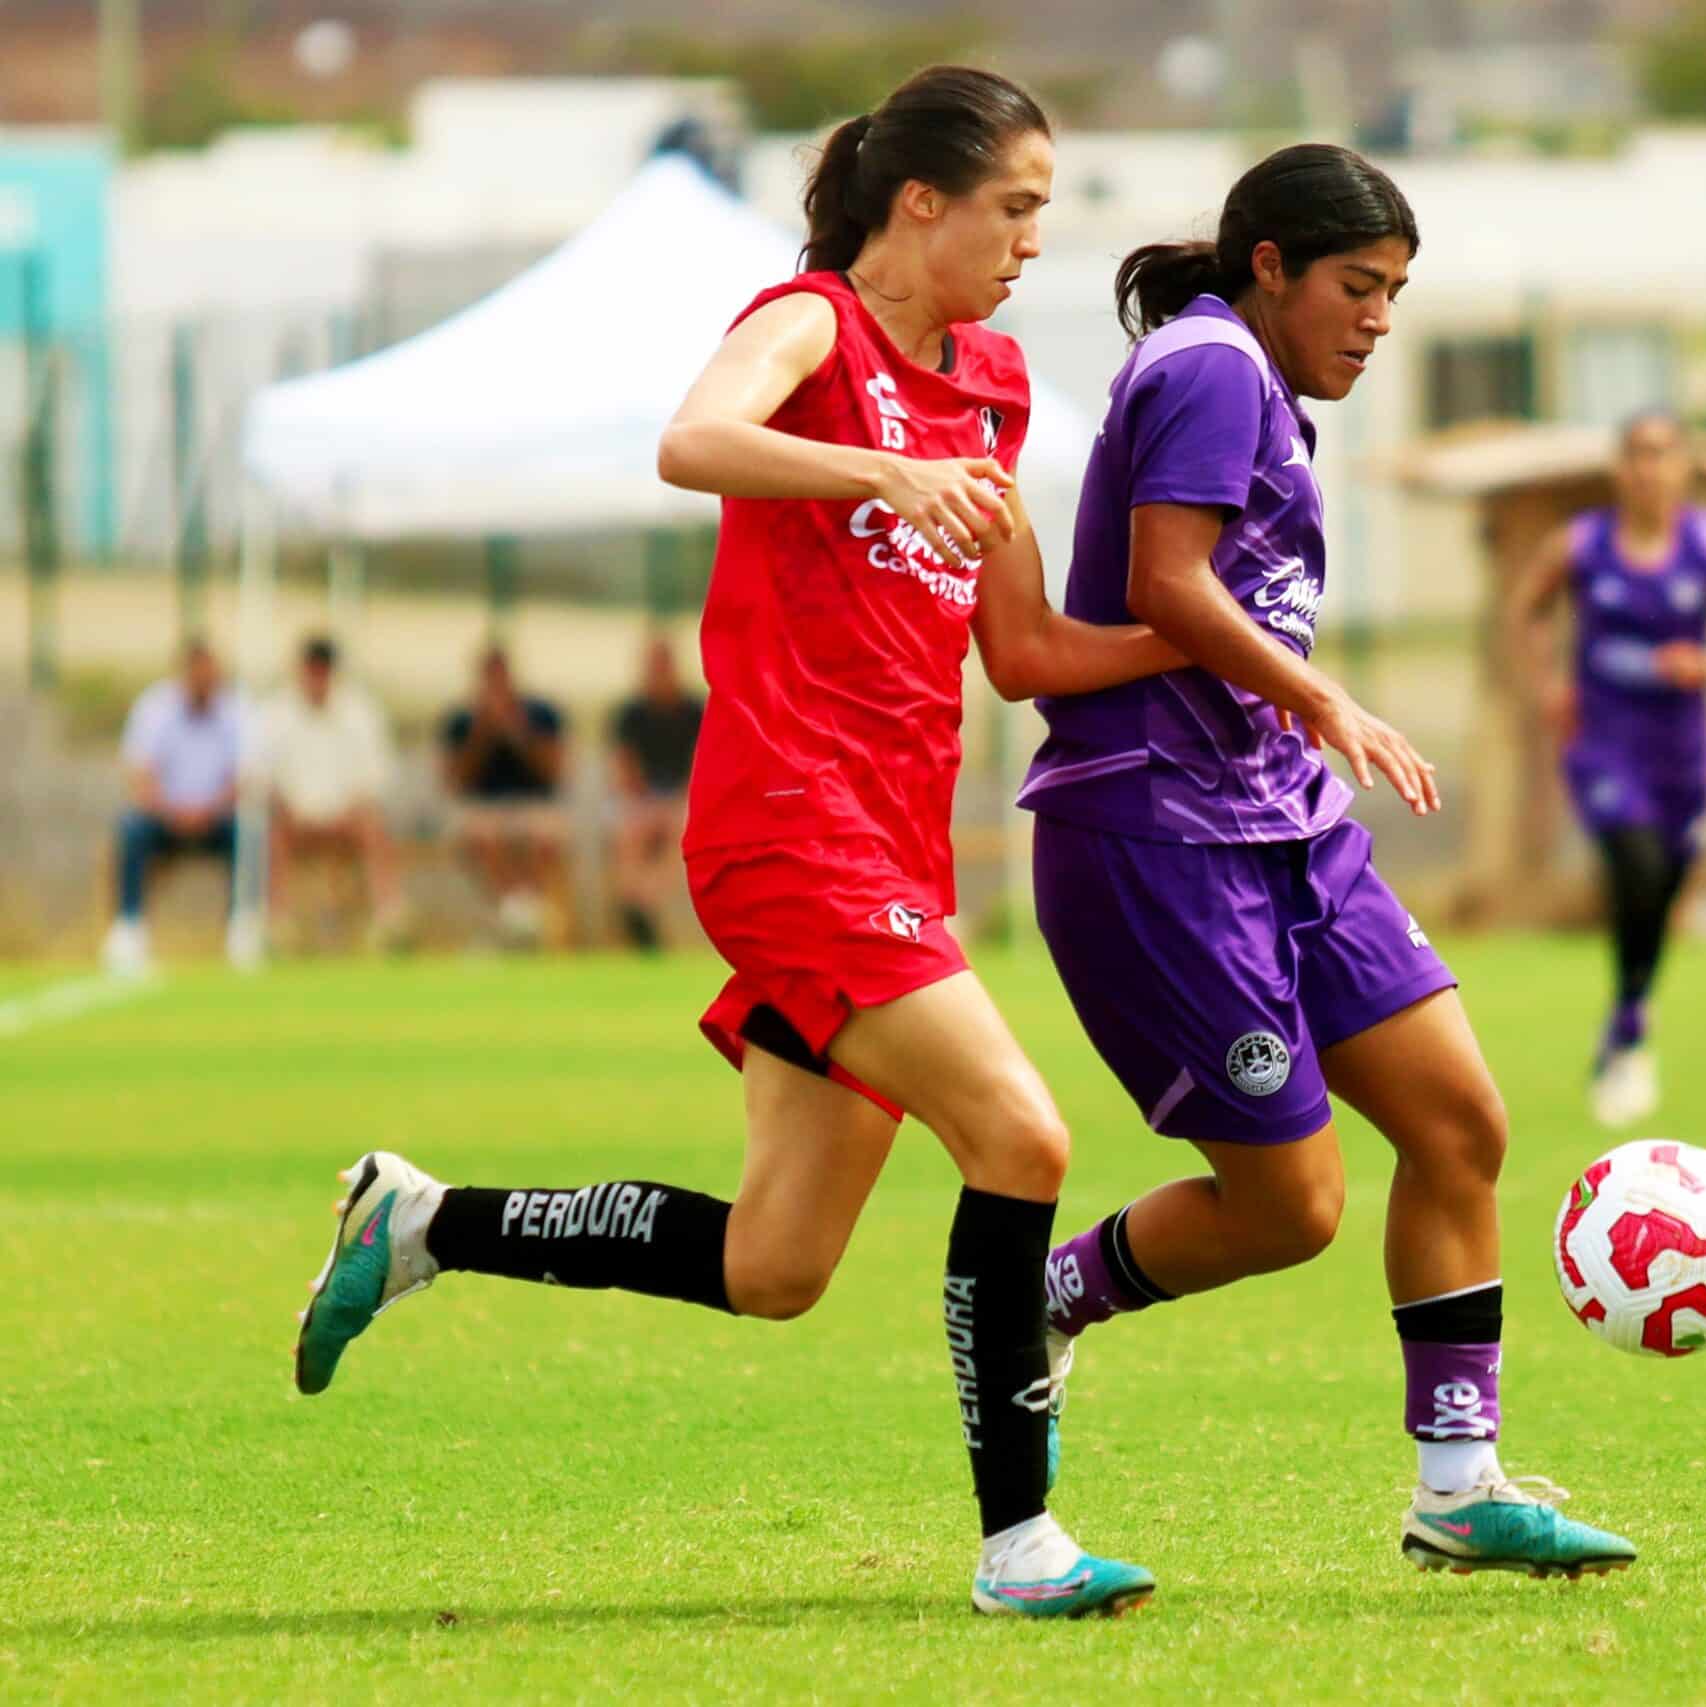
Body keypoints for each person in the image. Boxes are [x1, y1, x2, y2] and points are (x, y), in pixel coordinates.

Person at [291, 66, 1175, 1620]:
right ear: (923, 203)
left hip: (892, 854)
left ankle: (421, 1219)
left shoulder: (998, 381)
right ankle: (1020, 1544)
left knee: (776, 1262)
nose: (1037, 239)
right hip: (786, 828)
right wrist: (881, 468)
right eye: (1016, 207)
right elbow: (692, 439)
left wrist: (1226, 651)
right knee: (1025, 1141)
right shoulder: (811, 323)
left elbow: (1023, 651)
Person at [1021, 144, 1638, 1580]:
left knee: (1459, 1123)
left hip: (1285, 821)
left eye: (1398, 295)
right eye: (1357, 286)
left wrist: (1301, 721)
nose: (1376, 319)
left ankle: (1460, 1484)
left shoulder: (1270, 397)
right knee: (1290, 1208)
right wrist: (1324, 697)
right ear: (1272, 267)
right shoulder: (1211, 368)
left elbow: (1222, 608)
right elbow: (1170, 586)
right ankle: (1040, 1295)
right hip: (1159, 834)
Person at [1506, 413, 1706, 1127]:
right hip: (1603, 743)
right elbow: (1528, 608)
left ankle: (1629, 1010)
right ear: (1618, 469)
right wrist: (1547, 684)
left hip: (1681, 752)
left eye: (1663, 455)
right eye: (1636, 455)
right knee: (1637, 861)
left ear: (1684, 468)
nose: (1649, 468)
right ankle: (1628, 1030)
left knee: (1667, 880)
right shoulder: (1583, 545)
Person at [102, 637, 246, 976]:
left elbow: (244, 777)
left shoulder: (236, 710)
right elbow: (140, 776)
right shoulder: (154, 708)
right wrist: (173, 811)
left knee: (251, 836)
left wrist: (209, 810)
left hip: (217, 818)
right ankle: (129, 928)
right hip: (164, 818)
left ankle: (242, 928)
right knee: (131, 830)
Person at [260, 633, 408, 950]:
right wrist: (290, 810)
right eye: (311, 670)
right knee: (270, 834)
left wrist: (348, 812)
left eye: (323, 670)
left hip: (348, 819)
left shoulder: (361, 711)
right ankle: (278, 926)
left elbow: (375, 779)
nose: (317, 679)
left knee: (375, 829)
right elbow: (263, 777)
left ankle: (390, 922)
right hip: (294, 820)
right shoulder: (275, 712)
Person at [439, 646, 569, 948]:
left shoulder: (540, 715)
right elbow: (456, 781)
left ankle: (521, 913)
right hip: (483, 807)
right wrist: (482, 734)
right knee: (484, 835)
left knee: (545, 836)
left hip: (533, 805)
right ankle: (518, 911)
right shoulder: (462, 721)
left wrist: (518, 732)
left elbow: (554, 774)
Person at [608, 634, 705, 951]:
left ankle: (641, 902)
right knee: (629, 833)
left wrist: (674, 803)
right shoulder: (631, 715)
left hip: (682, 802)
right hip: (643, 801)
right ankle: (637, 904)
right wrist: (647, 803)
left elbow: (700, 767)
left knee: (683, 829)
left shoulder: (694, 711)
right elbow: (625, 771)